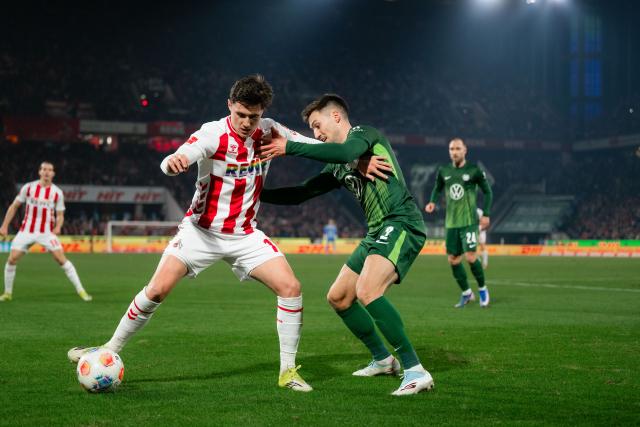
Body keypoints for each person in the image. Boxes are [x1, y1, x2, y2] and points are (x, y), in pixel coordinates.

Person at [67, 75, 328, 392]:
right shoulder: (213, 133)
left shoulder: (271, 130)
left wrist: (351, 150)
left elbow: (312, 146)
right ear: (230, 105)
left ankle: (288, 371)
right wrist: (173, 162)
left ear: (263, 112)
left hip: (244, 234)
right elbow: (180, 155)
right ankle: (109, 349)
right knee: (157, 290)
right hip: (200, 233)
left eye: (253, 116)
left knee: (291, 287)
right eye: (241, 114)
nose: (246, 123)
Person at [258, 93, 434, 396]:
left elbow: (345, 152)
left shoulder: (363, 135)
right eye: (312, 129)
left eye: (317, 125)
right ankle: (383, 359)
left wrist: (289, 147)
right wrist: (254, 193)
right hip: (377, 231)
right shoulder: (341, 165)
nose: (316, 134)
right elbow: (301, 193)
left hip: (400, 221)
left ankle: (415, 370)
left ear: (336, 116)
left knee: (367, 290)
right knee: (339, 297)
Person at [0, 161, 92, 302]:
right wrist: (4, 225)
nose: (46, 172)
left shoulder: (57, 193)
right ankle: (7, 293)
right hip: (27, 230)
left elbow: (60, 215)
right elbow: (14, 206)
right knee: (12, 259)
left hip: (46, 232)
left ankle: (81, 291)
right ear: (39, 172)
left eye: (49, 170)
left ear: (53, 173)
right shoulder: (29, 188)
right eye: (44, 169)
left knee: (61, 259)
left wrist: (58, 226)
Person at [424, 138, 493, 308]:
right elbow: (437, 187)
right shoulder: (444, 171)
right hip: (451, 223)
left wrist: (486, 214)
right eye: (451, 149)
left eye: (457, 148)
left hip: (469, 221)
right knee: (453, 260)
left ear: (465, 150)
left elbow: (488, 192)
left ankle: (483, 289)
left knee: (470, 257)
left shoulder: (474, 170)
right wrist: (432, 201)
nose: (454, 152)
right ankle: (467, 293)